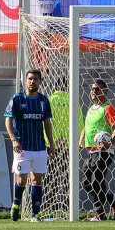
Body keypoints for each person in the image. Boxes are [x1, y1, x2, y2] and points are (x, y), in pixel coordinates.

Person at [5, 69, 55, 222]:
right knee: (21, 179)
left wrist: (51, 143)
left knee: (37, 180)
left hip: (39, 147)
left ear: (40, 82)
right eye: (30, 78)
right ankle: (16, 204)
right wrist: (14, 139)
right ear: (25, 81)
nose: (32, 81)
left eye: (35, 79)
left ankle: (35, 214)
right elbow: (8, 120)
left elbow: (47, 123)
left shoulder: (44, 100)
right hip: (22, 147)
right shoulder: (17, 99)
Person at [78, 79, 115, 221]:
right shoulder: (91, 109)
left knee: (96, 182)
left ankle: (99, 214)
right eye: (92, 89)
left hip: (104, 153)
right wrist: (80, 143)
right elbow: (86, 128)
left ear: (105, 92)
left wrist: (109, 144)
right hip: (91, 152)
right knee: (87, 184)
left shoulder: (108, 108)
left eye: (97, 89)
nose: (93, 91)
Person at [43, 77, 84, 211]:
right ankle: (69, 208)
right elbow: (80, 124)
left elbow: (43, 124)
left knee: (51, 178)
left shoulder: (49, 100)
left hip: (51, 146)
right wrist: (78, 142)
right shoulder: (74, 102)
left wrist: (49, 141)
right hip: (69, 146)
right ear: (68, 87)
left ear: (55, 87)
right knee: (68, 179)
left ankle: (51, 208)